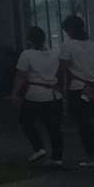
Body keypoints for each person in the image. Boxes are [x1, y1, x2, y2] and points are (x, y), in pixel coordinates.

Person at [57, 15, 94, 166]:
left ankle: (93, 153)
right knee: (88, 119)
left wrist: (61, 87)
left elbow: (63, 69)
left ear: (70, 29)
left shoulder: (67, 46)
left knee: (82, 122)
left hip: (77, 88)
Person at [14, 25, 64, 164]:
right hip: (54, 95)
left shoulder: (26, 54)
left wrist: (15, 94)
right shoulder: (55, 54)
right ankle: (57, 157)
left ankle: (38, 147)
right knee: (54, 127)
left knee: (26, 122)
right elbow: (60, 73)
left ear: (29, 40)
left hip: (34, 94)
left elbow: (20, 76)